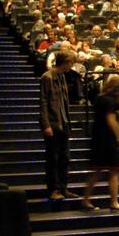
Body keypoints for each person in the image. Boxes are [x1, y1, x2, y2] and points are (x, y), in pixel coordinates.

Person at [82, 76, 119, 212]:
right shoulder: (111, 101)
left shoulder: (100, 98)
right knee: (114, 170)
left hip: (98, 136)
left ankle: (86, 199)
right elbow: (111, 121)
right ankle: (114, 202)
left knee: (98, 171)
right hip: (107, 138)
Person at [39, 50, 77, 201]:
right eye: (71, 63)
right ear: (65, 62)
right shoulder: (47, 77)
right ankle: (53, 189)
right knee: (53, 159)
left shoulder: (62, 76)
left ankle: (63, 188)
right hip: (53, 123)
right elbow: (43, 102)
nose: (72, 66)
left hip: (64, 122)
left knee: (64, 158)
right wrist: (46, 125)